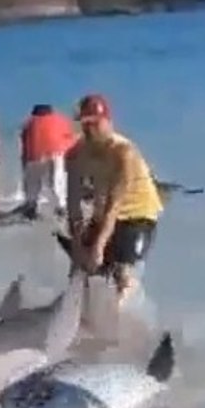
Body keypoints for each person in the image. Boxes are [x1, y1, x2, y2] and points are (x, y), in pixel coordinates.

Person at [62, 93, 164, 309]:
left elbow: (114, 205)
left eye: (95, 124)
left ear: (108, 122)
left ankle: (118, 315)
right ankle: (75, 310)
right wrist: (79, 243)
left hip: (138, 214)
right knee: (80, 266)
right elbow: (73, 204)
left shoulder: (123, 153)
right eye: (85, 124)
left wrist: (98, 247)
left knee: (122, 271)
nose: (90, 130)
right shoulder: (75, 155)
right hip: (103, 215)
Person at [19, 104, 77, 220]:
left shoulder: (29, 123)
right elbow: (71, 139)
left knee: (33, 184)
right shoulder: (61, 120)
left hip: (34, 156)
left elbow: (25, 144)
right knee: (56, 182)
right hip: (56, 153)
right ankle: (61, 207)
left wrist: (24, 162)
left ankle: (31, 207)